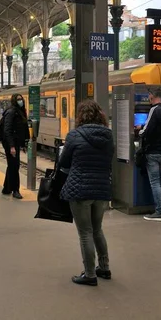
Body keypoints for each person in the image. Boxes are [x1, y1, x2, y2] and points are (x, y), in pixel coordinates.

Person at [60, 100, 114, 286]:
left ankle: (90, 274)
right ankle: (104, 268)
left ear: (80, 115)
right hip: (101, 188)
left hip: (80, 188)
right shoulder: (108, 136)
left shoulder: (74, 135)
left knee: (85, 232)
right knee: (97, 229)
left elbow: (63, 163)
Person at [137, 87, 161, 222]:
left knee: (154, 182)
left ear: (152, 96)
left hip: (153, 151)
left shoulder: (154, 110)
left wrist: (138, 131)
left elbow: (146, 131)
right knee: (160, 180)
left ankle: (159, 212)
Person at [2, 94, 30, 199]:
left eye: (21, 99)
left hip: (16, 142)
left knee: (12, 165)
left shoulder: (20, 111)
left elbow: (22, 129)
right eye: (18, 99)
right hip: (10, 143)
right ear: (14, 100)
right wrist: (11, 146)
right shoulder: (11, 112)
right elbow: (7, 130)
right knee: (14, 166)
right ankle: (15, 190)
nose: (20, 101)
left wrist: (24, 143)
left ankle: (6, 188)